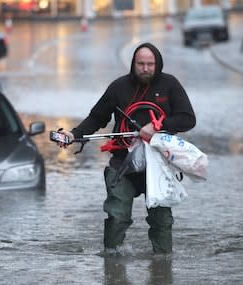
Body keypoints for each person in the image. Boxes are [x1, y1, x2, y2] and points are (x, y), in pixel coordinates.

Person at [57, 42, 196, 254]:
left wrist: (159, 125)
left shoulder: (170, 85)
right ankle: (111, 262)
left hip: (158, 166)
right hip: (122, 164)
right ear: (133, 64)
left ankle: (163, 265)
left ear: (157, 64)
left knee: (162, 221)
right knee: (117, 215)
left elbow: (188, 119)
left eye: (150, 64)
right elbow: (97, 117)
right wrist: (73, 134)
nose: (146, 68)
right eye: (141, 64)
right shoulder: (119, 87)